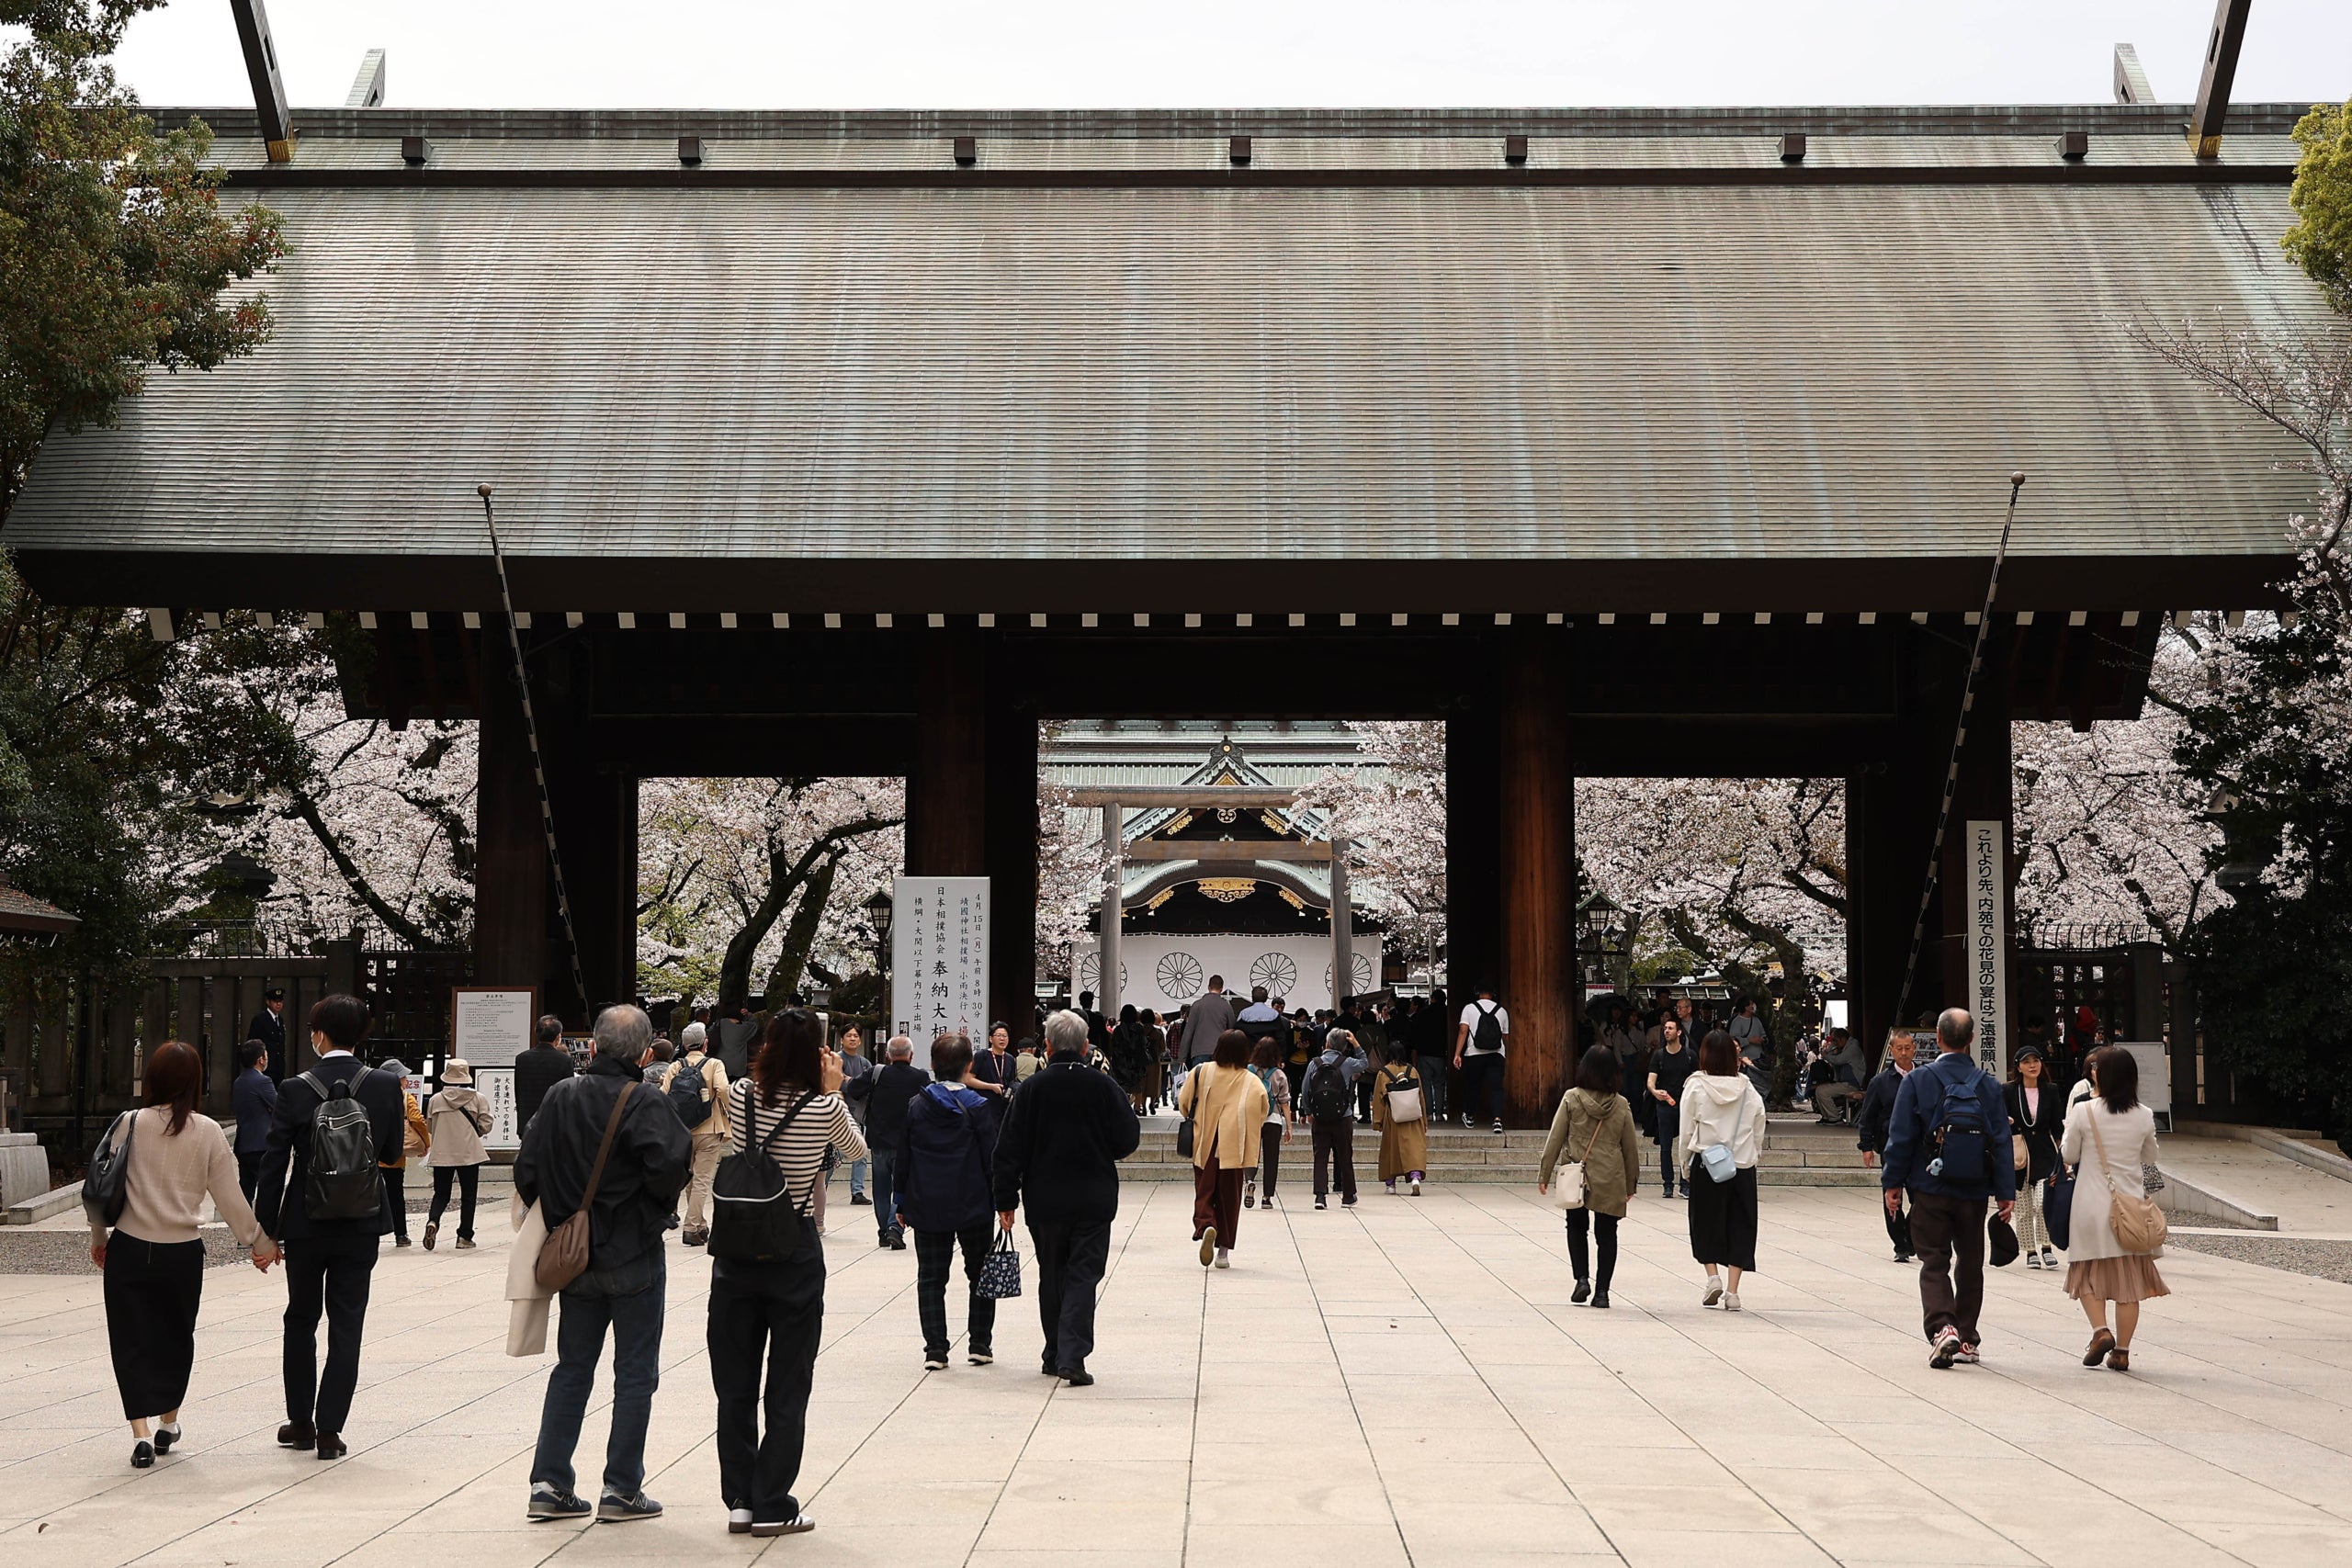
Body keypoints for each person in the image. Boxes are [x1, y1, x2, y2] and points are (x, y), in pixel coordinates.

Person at [516, 1004, 692, 1523]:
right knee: (635, 1372)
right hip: (633, 1251)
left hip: (573, 1257)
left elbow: (528, 1171)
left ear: (590, 1047)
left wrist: (563, 1213)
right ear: (643, 1053)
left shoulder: (559, 1096)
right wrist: (651, 1213)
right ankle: (621, 1487)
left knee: (573, 1367)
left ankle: (549, 1482)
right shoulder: (644, 1101)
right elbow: (670, 1165)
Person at [708, 1008, 865, 1537]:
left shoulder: (740, 1094)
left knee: (734, 1384)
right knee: (788, 1381)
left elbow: (740, 1135)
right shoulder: (824, 1107)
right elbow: (857, 1150)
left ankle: (739, 1501)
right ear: (817, 1051)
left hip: (736, 1250)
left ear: (768, 1045)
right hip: (793, 1248)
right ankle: (772, 1500)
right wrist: (835, 1089)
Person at [90, 1040, 279, 1467]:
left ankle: (139, 1433)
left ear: (153, 1079)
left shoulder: (129, 1123)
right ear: (195, 1082)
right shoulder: (208, 1131)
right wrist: (261, 1242)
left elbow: (100, 1185)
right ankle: (167, 1422)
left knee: (129, 1339)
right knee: (176, 1338)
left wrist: (99, 1238)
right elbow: (231, 1197)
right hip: (181, 1253)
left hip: (131, 1248)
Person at [254, 994, 408, 1461]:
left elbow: (273, 1161)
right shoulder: (384, 1086)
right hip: (361, 1221)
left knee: (300, 1318)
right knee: (348, 1324)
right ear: (360, 1035)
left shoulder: (294, 1088)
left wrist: (265, 1230)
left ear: (319, 1034)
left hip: (305, 1221)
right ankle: (330, 1430)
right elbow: (391, 1151)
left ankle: (300, 1421)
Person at [993, 1008, 1141, 1385]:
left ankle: (1054, 1351)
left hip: (1045, 1197)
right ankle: (1071, 1356)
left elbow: (1008, 1148)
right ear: (1086, 1045)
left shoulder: (1031, 1090)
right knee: (1083, 1275)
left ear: (1047, 1045)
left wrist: (1005, 1200)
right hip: (1093, 1195)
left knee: (1052, 1273)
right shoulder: (1103, 1086)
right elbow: (1128, 1138)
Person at [1880, 1008, 2016, 1370]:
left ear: (1937, 1037)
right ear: (1971, 1040)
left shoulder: (1918, 1081)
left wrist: (1892, 1183)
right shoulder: (1987, 1084)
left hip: (1929, 1185)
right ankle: (1968, 1337)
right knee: (1970, 1262)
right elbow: (2001, 1141)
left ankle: (1943, 1328)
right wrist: (2006, 1191)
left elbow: (1901, 1137)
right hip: (1973, 1189)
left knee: (1934, 1261)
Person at [2060, 1045, 2167, 1372]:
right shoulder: (2145, 1115)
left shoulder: (2084, 1111)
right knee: (2129, 1284)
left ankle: (2099, 1331)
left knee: (2087, 1271)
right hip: (2130, 1207)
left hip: (2091, 1205)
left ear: (2101, 1076)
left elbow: (2069, 1155)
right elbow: (2150, 1157)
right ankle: (2121, 1351)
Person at [900, 1032, 999, 1371]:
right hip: (973, 1203)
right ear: (970, 1066)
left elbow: (905, 1157)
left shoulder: (917, 1105)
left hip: (928, 1203)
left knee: (930, 1277)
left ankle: (935, 1349)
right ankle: (980, 1343)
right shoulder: (980, 1108)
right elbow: (992, 1159)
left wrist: (900, 1202)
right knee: (980, 1274)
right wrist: (1002, 1202)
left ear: (931, 1065)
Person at [1538, 1045, 1642, 1308]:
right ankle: (1603, 1292)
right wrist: (1632, 1182)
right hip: (1610, 1175)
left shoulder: (1571, 1098)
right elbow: (1630, 1148)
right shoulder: (1621, 1104)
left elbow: (1555, 1137)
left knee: (1576, 1226)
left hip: (1576, 1172)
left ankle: (1581, 1278)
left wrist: (1545, 1172)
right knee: (1607, 1234)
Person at [1680, 1031, 1767, 1311]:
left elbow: (1686, 1130)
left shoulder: (1695, 1086)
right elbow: (1759, 1125)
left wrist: (1685, 1164)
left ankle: (1712, 1277)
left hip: (1708, 1164)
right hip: (1741, 1166)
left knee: (1705, 1223)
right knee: (1740, 1225)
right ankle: (1733, 1291)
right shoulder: (1748, 1088)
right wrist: (1753, 1156)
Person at [1176, 1028, 1269, 1268]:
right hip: (1234, 1147)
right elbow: (1263, 1110)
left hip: (1205, 1143)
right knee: (1230, 1198)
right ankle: (1223, 1254)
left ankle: (1207, 1224)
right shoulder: (1251, 1081)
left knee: (1204, 1190)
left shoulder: (1202, 1071)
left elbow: (1184, 1103)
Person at [662, 1021, 733, 1247]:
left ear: (683, 1045)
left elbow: (664, 1094)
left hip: (682, 1130)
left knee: (691, 1178)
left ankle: (700, 1224)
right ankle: (692, 1228)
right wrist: (730, 1111)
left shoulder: (675, 1066)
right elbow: (722, 1089)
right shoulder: (714, 1064)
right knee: (702, 1179)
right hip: (709, 1128)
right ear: (705, 1043)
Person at [856, 1035, 925, 1249]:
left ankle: (884, 1231)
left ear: (888, 1055)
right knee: (902, 1186)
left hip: (879, 1141)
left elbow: (853, 1090)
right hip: (908, 1143)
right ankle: (895, 1226)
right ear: (911, 1055)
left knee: (881, 1188)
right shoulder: (920, 1077)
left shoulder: (876, 1073)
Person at [1857, 1029, 1919, 1262]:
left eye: (1907, 1047)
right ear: (1891, 1051)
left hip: (1919, 1147)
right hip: (1891, 1147)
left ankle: (1911, 1236)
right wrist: (1866, 1146)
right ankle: (1900, 1244)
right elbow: (1868, 1117)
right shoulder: (1880, 1082)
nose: (1904, 1053)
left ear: (1914, 1048)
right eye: (1899, 1048)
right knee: (1892, 1196)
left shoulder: (1923, 1077)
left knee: (1921, 1198)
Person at [2006, 1044, 2065, 1269]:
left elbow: (2056, 1125)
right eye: (2027, 1062)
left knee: (2043, 1202)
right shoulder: (2008, 1091)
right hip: (2018, 1152)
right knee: (2022, 1207)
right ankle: (2030, 1251)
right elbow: (1998, 1121)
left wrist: (2064, 1155)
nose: (2032, 1065)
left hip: (2045, 1152)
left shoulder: (2049, 1089)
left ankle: (2046, 1246)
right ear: (2018, 1067)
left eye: (2036, 1061)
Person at [423, 1058, 492, 1250]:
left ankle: (433, 1221)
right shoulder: (477, 1098)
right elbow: (486, 1124)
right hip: (469, 1152)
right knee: (469, 1195)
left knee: (441, 1193)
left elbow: (430, 1126)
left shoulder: (436, 1100)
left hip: (442, 1152)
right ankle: (464, 1236)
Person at [1300, 1026, 1368, 1209]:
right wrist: (1355, 1042)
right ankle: (1348, 1196)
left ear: (1327, 1043)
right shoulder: (1348, 1063)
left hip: (1320, 1117)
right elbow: (1365, 1062)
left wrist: (1308, 1112)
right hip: (1343, 1116)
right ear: (1344, 1046)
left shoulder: (1315, 1062)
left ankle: (1320, 1197)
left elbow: (1306, 1089)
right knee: (1345, 1155)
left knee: (1320, 1156)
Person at [378, 1059, 430, 1248]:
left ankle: (371, 1232)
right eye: (403, 1077)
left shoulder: (373, 1096)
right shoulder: (405, 1098)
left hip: (372, 1153)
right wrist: (426, 1143)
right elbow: (417, 1120)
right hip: (394, 1154)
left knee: (370, 1195)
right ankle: (401, 1234)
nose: (407, 1080)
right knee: (396, 1195)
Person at [1645, 1018, 1697, 1199]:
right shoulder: (1659, 1055)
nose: (1667, 1031)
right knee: (1665, 1147)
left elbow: (1697, 1079)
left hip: (1686, 1107)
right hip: (1664, 1106)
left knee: (1687, 1145)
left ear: (1679, 1032)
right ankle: (1667, 1184)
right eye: (1665, 1028)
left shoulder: (1690, 1055)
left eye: (1670, 1028)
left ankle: (1685, 1183)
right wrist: (1654, 1091)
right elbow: (1651, 1080)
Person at [1372, 1040, 1429, 1196]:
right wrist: (1424, 1119)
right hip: (1413, 1116)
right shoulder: (1413, 1070)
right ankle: (1415, 1176)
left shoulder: (1384, 1072)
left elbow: (1378, 1099)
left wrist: (1378, 1121)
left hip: (1393, 1116)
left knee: (1391, 1150)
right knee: (1414, 1148)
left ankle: (1390, 1184)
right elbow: (1421, 1095)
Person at [1244, 1038, 1294, 1210]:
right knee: (1271, 1159)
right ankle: (1267, 1197)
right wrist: (1289, 1127)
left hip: (1252, 1119)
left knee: (1251, 1154)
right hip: (1273, 1120)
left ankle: (1249, 1181)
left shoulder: (1247, 1072)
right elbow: (1285, 1103)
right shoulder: (1279, 1074)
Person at [1454, 985, 1510, 1133]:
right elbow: (1504, 1036)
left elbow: (1463, 1031)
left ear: (1478, 993)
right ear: (1493, 993)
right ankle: (1497, 1120)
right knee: (1496, 1088)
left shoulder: (1469, 1008)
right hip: (1496, 1054)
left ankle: (1470, 1115)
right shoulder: (1502, 1011)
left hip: (1474, 1053)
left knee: (1473, 1086)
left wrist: (1457, 1054)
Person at [231, 1039, 277, 1201]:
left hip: (244, 1143)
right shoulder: (263, 1081)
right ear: (261, 1059)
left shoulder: (239, 1082)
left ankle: (244, 1225)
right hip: (261, 1144)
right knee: (268, 1191)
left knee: (246, 1191)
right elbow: (279, 1107)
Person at [514, 1014, 576, 1135]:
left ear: (536, 1033)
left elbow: (518, 1091)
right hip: (555, 1123)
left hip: (527, 1121)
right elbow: (568, 1094)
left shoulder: (522, 1058)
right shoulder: (564, 1060)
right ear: (558, 1037)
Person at [837, 1027, 875, 1201]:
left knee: (860, 1153)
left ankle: (857, 1192)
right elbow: (839, 1086)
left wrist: (850, 1081)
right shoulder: (836, 1060)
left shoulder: (865, 1063)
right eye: (849, 1035)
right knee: (836, 1153)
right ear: (842, 1039)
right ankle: (823, 1185)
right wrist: (854, 1084)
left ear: (860, 1041)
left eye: (856, 1036)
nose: (852, 1039)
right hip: (840, 1113)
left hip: (860, 1113)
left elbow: (869, 1087)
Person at [1107, 1003, 1158, 1112]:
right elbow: (1143, 1043)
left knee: (1121, 1084)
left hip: (1121, 1061)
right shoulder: (1139, 1028)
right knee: (1137, 1085)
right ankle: (1137, 1107)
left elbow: (1114, 1045)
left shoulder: (1118, 1030)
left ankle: (1122, 1104)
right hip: (1136, 1060)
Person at [1813, 1027, 1868, 1124]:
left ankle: (1834, 1117)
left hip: (1851, 1084)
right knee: (1819, 1090)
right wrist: (1832, 1046)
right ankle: (1827, 1116)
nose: (1835, 1043)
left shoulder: (1852, 1049)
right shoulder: (1845, 1048)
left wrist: (1826, 1055)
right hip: (1845, 1083)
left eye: (1836, 1041)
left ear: (1843, 1039)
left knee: (1822, 1091)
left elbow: (1838, 1060)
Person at [1179, 975, 1237, 1066]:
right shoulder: (1226, 1007)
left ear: (1209, 987)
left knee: (1201, 1079)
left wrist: (1182, 1057)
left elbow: (1188, 1031)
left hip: (1199, 1051)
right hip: (1220, 1051)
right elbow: (1232, 1031)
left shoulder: (1197, 1005)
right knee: (1218, 1079)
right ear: (1221, 989)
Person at [1728, 999, 1773, 1099]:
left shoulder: (1756, 1020)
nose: (1753, 1006)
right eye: (1750, 1004)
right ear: (1745, 1007)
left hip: (1757, 1057)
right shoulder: (1737, 1021)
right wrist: (1749, 1040)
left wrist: (1763, 1040)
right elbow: (1734, 1039)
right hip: (1744, 1058)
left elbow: (1763, 1035)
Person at [248, 987, 288, 1078]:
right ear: (268, 1002)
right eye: (275, 1001)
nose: (278, 1004)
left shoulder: (280, 1020)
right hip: (265, 1067)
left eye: (280, 1001)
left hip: (279, 1067)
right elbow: (252, 1043)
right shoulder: (260, 1019)